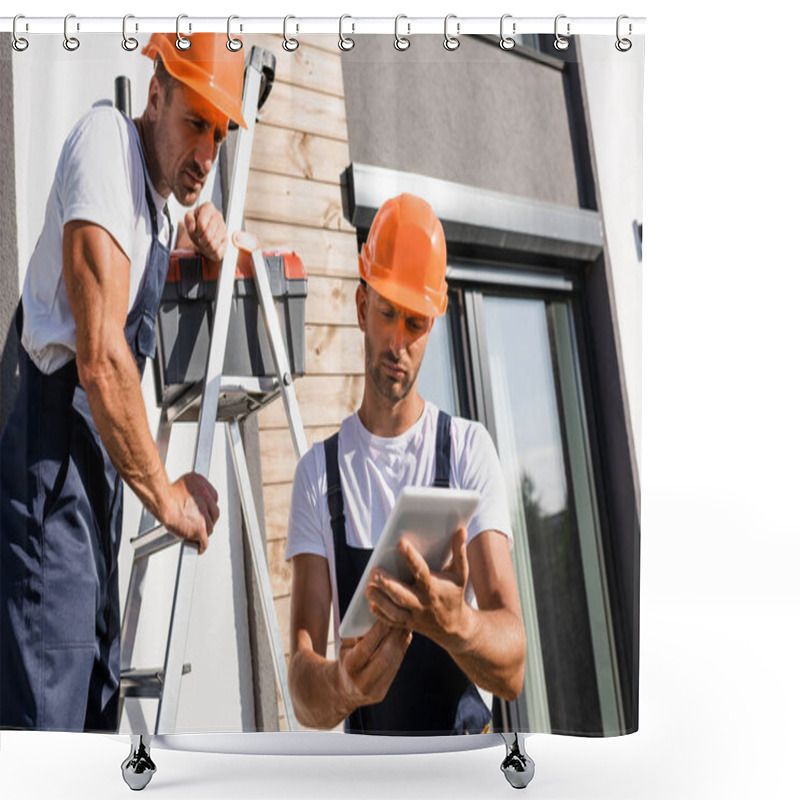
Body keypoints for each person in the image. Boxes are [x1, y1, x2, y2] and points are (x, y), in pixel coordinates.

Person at [0, 33, 246, 731]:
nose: (206, 153)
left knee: (95, 718)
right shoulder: (106, 142)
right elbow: (102, 359)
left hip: (96, 499)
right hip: (50, 486)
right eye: (195, 122)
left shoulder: (154, 210)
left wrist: (198, 235)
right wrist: (167, 495)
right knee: (48, 738)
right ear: (156, 92)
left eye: (220, 135)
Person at [286, 194, 526, 735]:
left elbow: (513, 669)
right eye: (387, 313)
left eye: (415, 322)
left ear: (433, 325)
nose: (398, 342)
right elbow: (303, 690)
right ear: (360, 308)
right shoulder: (318, 476)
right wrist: (343, 685)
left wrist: (456, 623)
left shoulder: (467, 452)